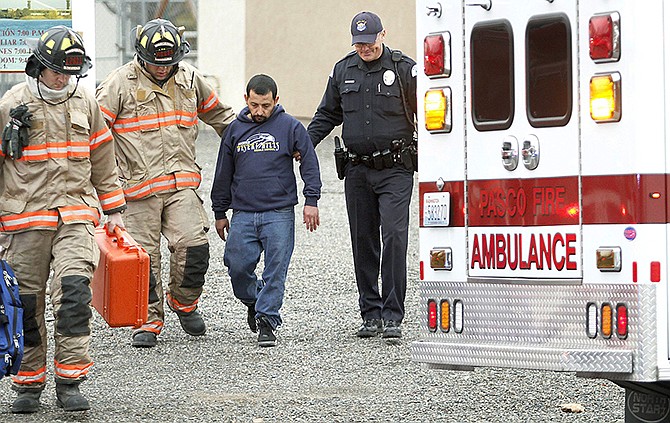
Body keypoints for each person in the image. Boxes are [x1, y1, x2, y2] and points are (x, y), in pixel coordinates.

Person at [0, 26, 126, 413]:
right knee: (27, 303)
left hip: (75, 216)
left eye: (71, 73)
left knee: (73, 295)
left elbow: (103, 159)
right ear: (40, 66)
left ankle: (70, 379)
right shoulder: (11, 104)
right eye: (58, 71)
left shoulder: (84, 102)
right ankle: (29, 383)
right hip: (24, 223)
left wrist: (115, 210)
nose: (64, 79)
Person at [95, 18, 235, 348]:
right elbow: (95, 135)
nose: (162, 68)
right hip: (136, 191)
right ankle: (148, 320)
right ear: (141, 56)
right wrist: (102, 187)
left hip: (180, 186)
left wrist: (260, 143)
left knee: (195, 248)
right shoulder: (118, 84)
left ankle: (183, 303)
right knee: (144, 261)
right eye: (156, 62)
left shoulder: (190, 79)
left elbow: (223, 118)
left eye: (168, 62)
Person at [307, 11, 417, 340]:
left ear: (382, 35)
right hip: (356, 170)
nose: (364, 48)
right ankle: (370, 313)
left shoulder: (402, 69)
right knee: (363, 242)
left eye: (369, 42)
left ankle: (393, 314)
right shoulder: (343, 70)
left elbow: (427, 114)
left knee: (394, 237)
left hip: (396, 169)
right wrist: (301, 145)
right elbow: (327, 114)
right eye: (358, 43)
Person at [211, 74, 321, 347]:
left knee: (275, 270)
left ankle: (267, 320)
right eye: (255, 105)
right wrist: (219, 211)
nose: (259, 111)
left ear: (276, 101)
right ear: (246, 99)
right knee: (237, 266)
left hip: (279, 212)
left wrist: (312, 200)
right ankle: (254, 298)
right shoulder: (234, 131)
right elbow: (223, 173)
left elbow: (309, 161)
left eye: (266, 106)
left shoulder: (290, 127)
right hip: (244, 213)